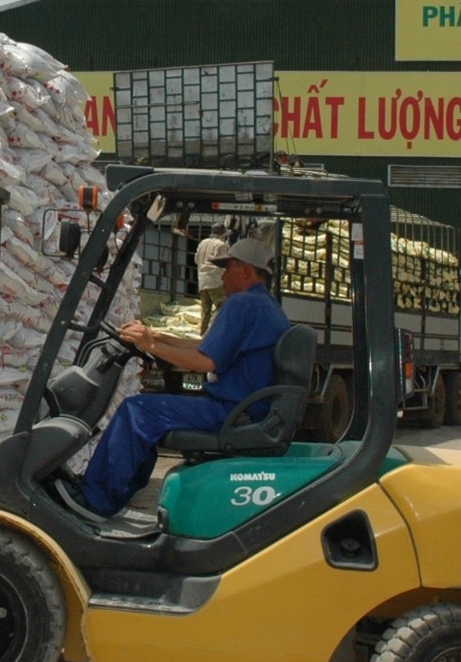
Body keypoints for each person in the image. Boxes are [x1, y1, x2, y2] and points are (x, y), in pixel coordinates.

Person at [58, 237, 290, 520]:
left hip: (231, 410)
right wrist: (153, 337)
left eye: (227, 268)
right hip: (245, 407)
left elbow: (205, 361)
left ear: (245, 270)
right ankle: (116, 493)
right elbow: (206, 346)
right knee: (148, 411)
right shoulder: (263, 305)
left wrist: (151, 347)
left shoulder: (242, 305)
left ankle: (95, 500)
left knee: (137, 410)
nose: (222, 276)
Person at [194, 222, 231, 331]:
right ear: (222, 235)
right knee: (222, 307)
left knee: (205, 310)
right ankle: (216, 330)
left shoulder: (202, 243)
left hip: (202, 279)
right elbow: (225, 262)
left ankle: (203, 333)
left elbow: (196, 259)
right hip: (215, 280)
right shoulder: (221, 245)